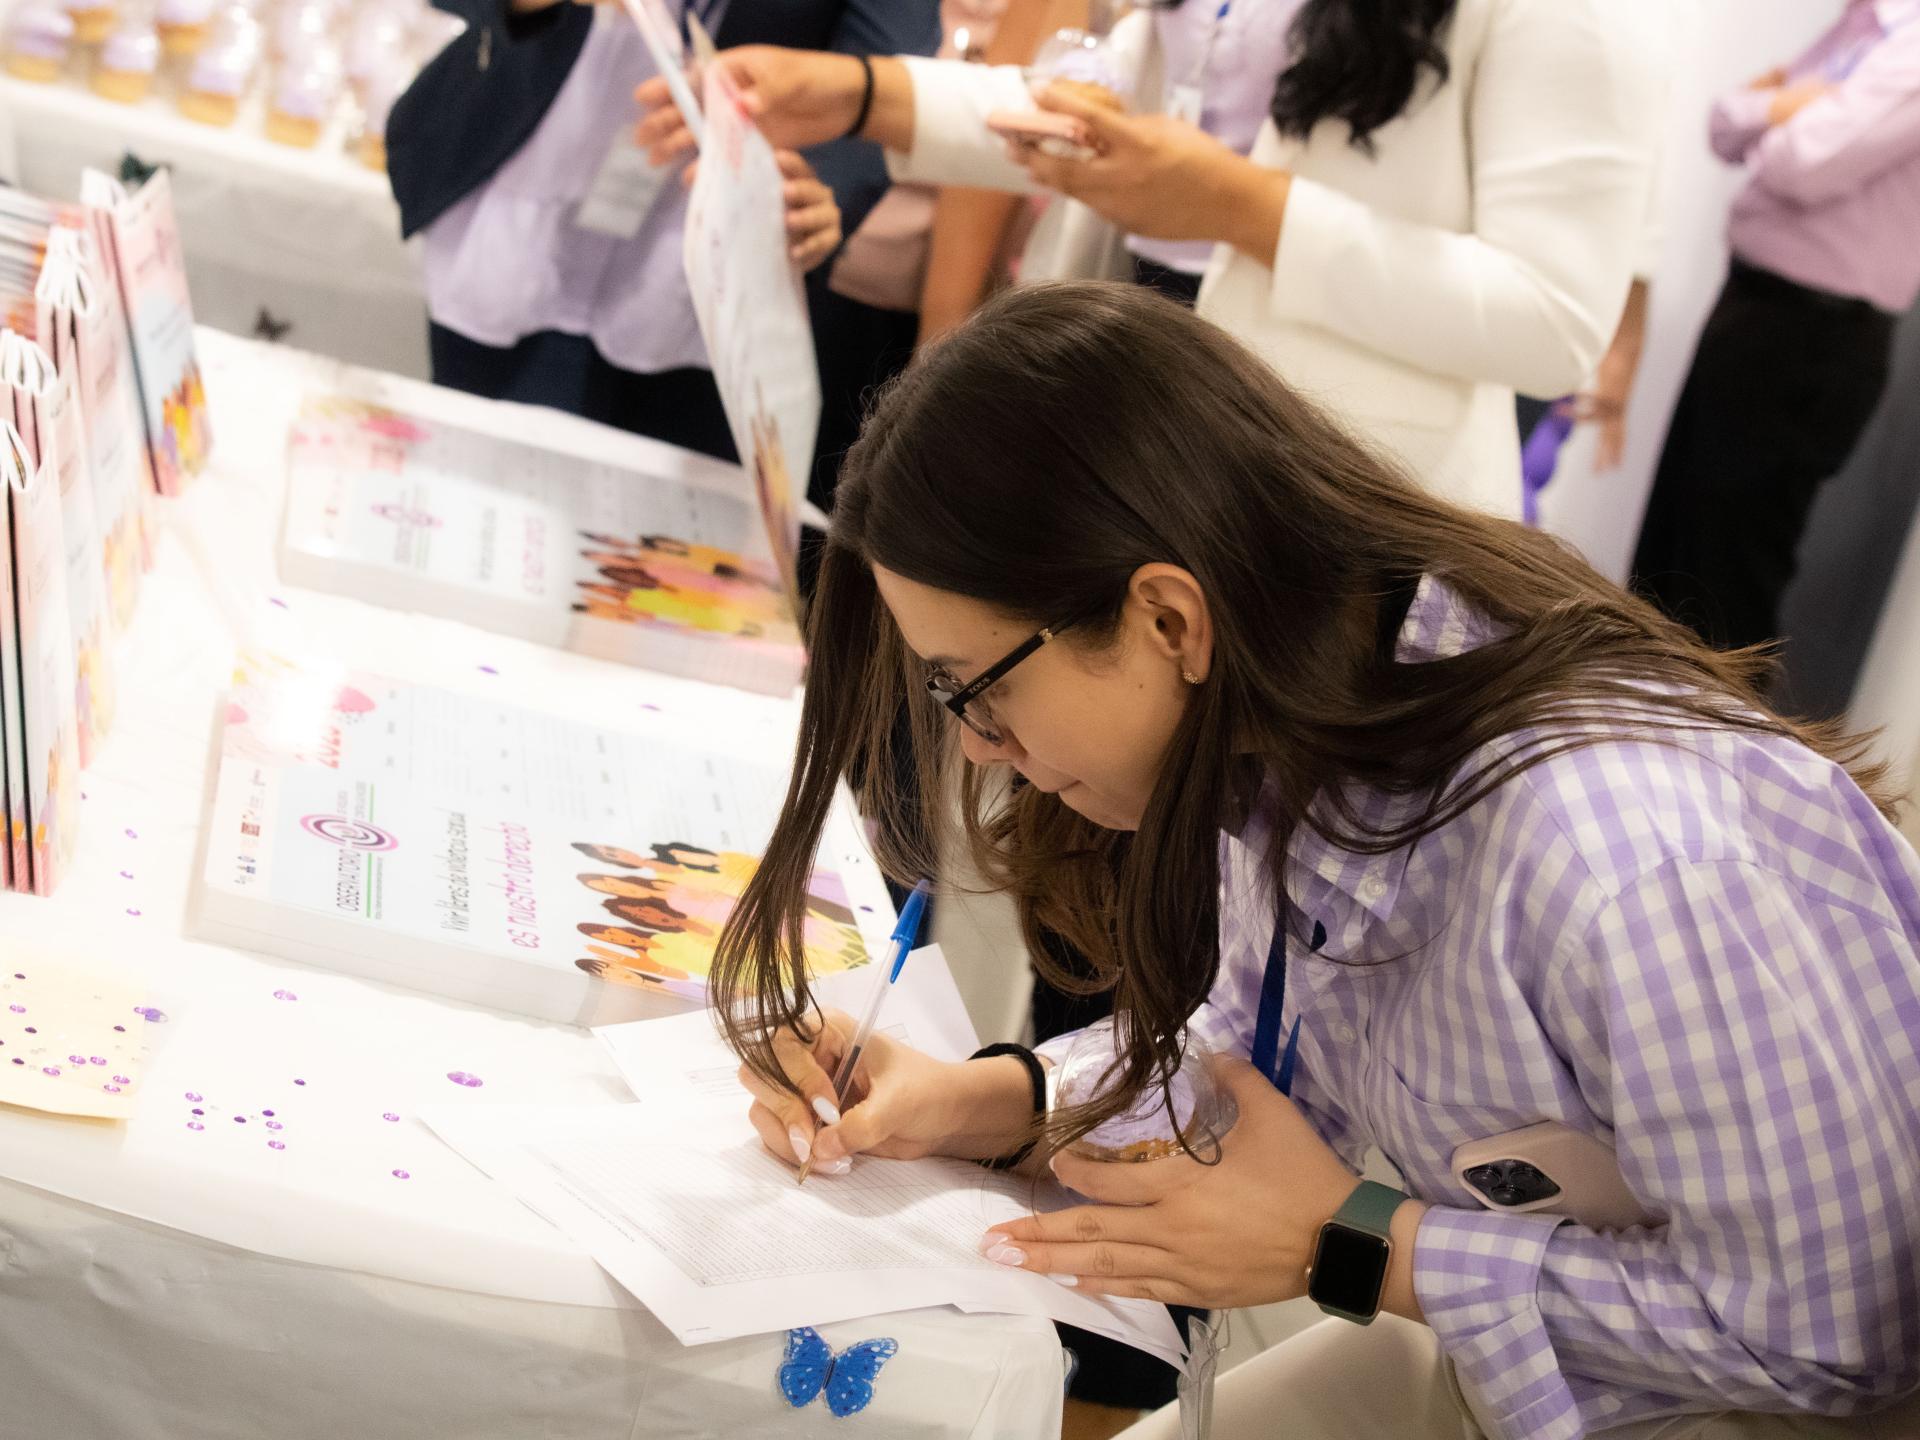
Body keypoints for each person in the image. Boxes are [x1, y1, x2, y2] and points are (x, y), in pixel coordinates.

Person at [704, 283, 1920, 1440]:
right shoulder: (1298, 723)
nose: (981, 751)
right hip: (1534, 1374)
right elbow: (1248, 1053)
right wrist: (989, 1103)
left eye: (977, 689)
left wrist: (1349, 1244)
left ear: (1168, 621)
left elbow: (1831, 1341)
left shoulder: (1617, 864)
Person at [637, 0, 1667, 514]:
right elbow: (1122, 109)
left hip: (1332, 482)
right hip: (1125, 397)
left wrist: (1242, 208)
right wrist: (864, 96)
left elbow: (1552, 325)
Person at [386, 0, 938, 461]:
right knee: (471, 464)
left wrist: (814, 195)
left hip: (708, 252)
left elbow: (881, 70)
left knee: (645, 538)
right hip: (526, 191)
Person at [1631, 1, 1920, 654]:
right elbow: (1724, 123)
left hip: (1811, 337)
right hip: (1758, 313)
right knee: (1670, 562)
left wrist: (1781, 109)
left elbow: (1804, 164)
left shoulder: (1911, 47)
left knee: (1722, 599)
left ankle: (1711, 754)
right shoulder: (1859, 25)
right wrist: (1784, 109)